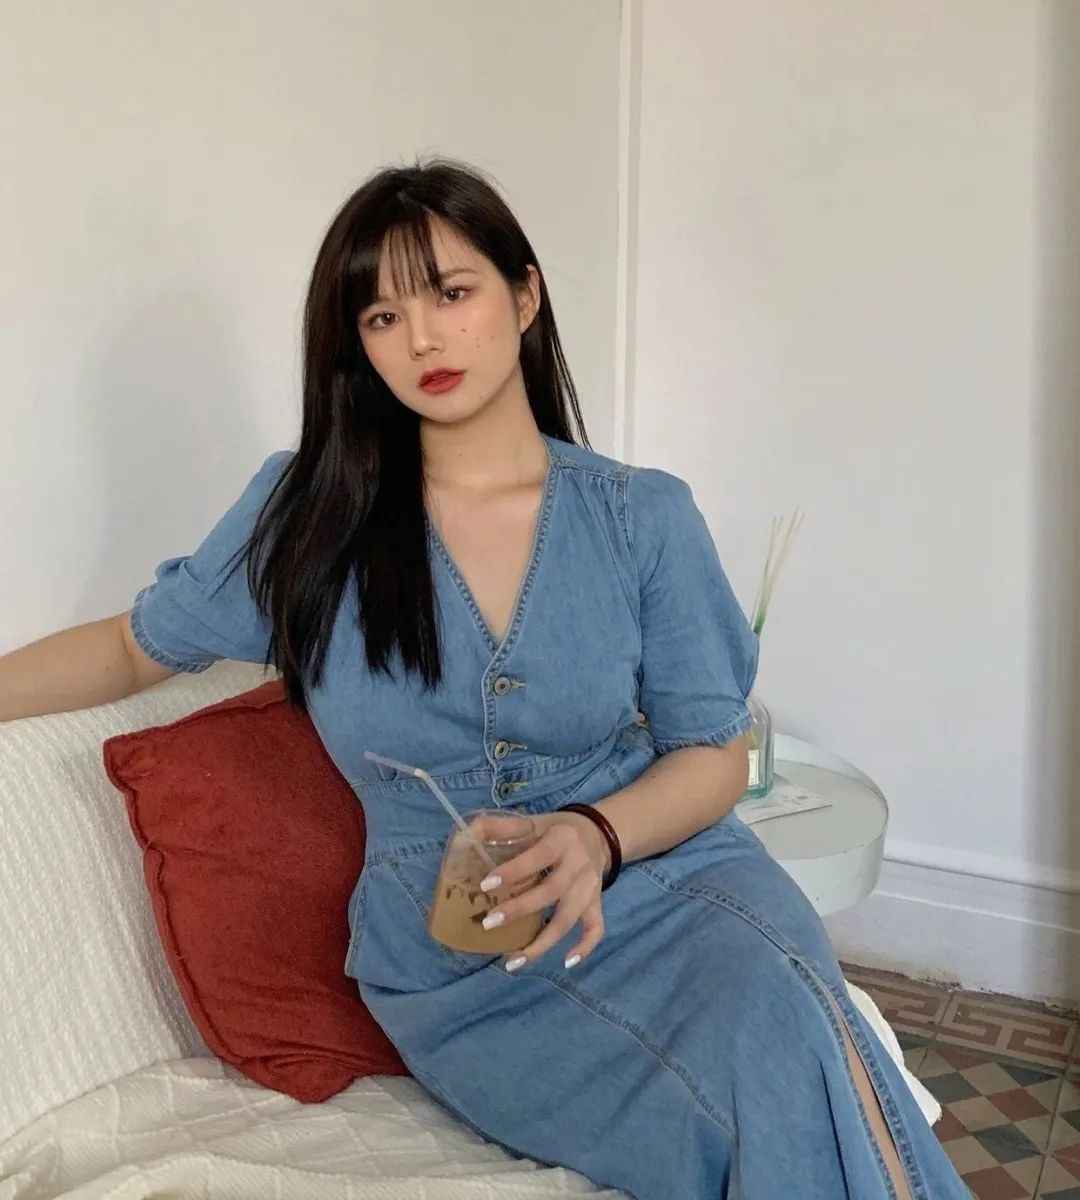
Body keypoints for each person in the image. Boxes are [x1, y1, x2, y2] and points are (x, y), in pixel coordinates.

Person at [0, 156, 970, 1200]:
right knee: (779, 1056)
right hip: (462, 962)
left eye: (451, 294)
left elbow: (714, 754)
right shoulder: (310, 514)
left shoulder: (640, 517)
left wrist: (595, 834)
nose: (421, 339)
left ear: (524, 295)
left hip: (670, 877)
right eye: (381, 317)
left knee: (781, 1015)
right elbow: (132, 646)